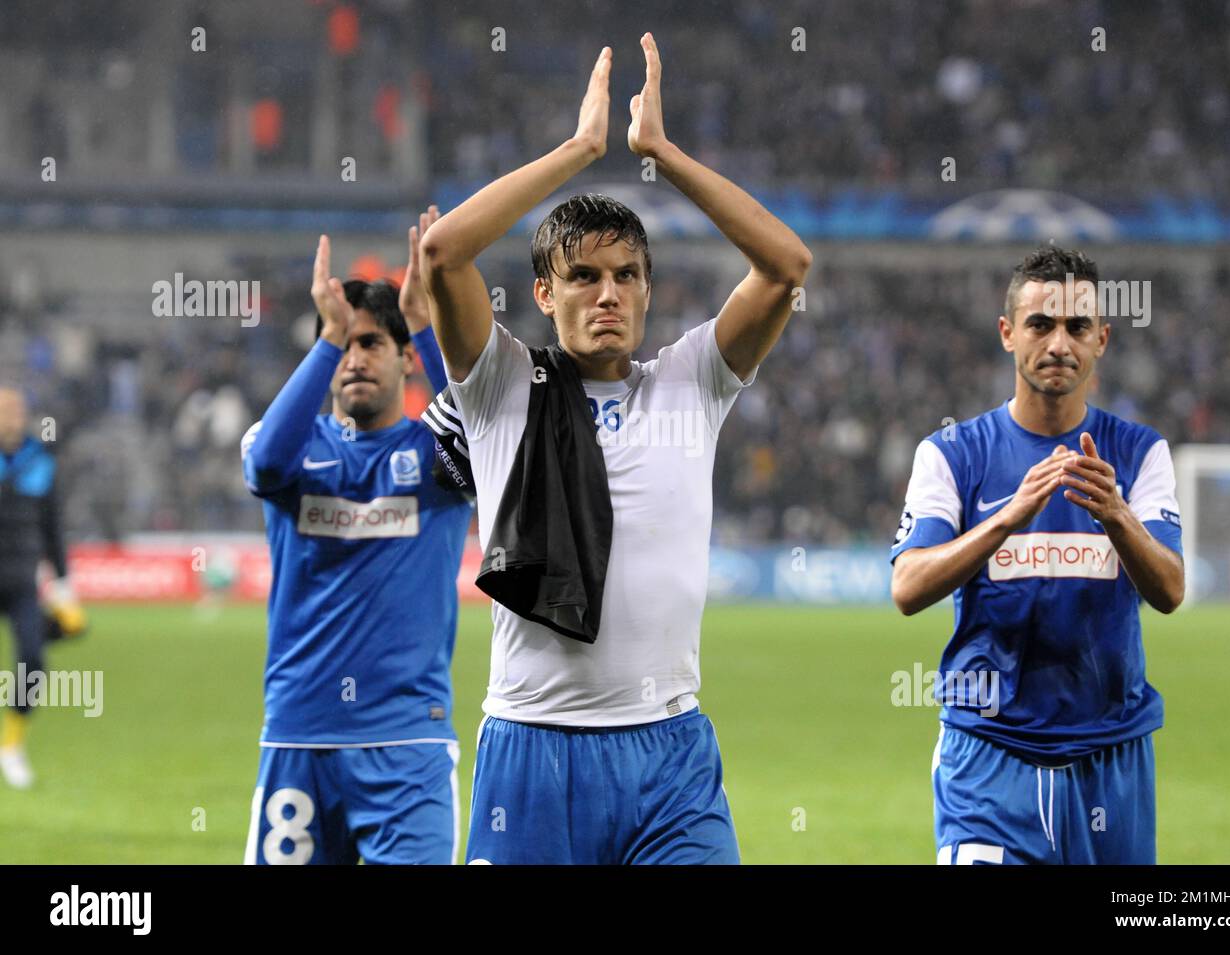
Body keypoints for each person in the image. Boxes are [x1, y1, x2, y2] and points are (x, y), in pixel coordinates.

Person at [419, 35, 812, 864]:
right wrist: (578, 151)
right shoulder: (498, 388)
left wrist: (662, 157)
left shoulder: (691, 380)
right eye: (583, 276)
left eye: (627, 275)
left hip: (670, 755)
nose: (608, 294)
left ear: (648, 290)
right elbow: (443, 252)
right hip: (535, 747)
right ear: (541, 293)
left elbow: (786, 266)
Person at [890, 246, 1185, 864]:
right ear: (1007, 333)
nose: (1058, 344)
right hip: (990, 755)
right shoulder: (951, 454)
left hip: (1111, 755)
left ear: (1101, 338)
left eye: (1077, 327)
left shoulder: (1139, 453)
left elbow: (1170, 591)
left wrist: (1117, 515)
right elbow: (908, 587)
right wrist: (1007, 518)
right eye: (1040, 324)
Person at [239, 209, 472, 864]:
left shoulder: (437, 457)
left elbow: (489, 440)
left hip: (408, 747)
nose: (355, 358)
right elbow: (263, 468)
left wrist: (426, 324)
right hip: (298, 738)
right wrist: (326, 339)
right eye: (342, 346)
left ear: (405, 360)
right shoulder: (288, 447)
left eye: (372, 343)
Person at [0, 385, 84, 789]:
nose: (9, 417)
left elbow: (53, 529)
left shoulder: (41, 462)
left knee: (32, 660)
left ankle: (12, 746)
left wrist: (64, 584)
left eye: (14, 409)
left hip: (21, 581)